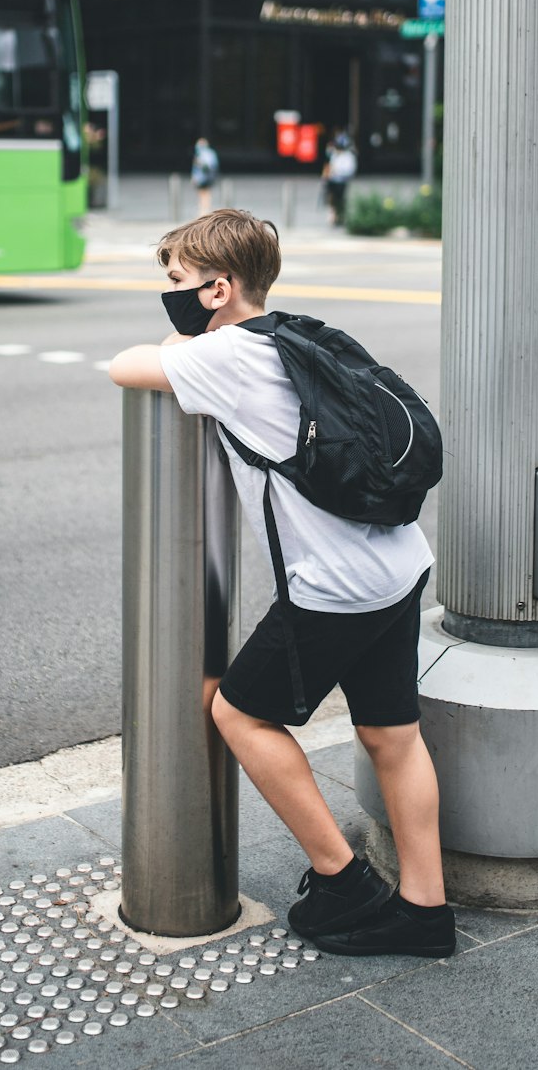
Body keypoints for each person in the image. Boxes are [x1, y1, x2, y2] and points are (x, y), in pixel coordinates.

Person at [108, 208, 455, 958]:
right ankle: (425, 912)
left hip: (336, 586)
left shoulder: (225, 354)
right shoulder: (292, 332)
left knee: (237, 712)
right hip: (398, 561)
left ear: (218, 287)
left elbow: (124, 366)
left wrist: (182, 339)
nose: (168, 291)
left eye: (176, 280)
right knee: (392, 734)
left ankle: (343, 879)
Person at [322, 129, 357, 226]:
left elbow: (349, 170)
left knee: (341, 199)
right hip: (332, 180)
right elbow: (329, 163)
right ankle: (333, 216)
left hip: (341, 181)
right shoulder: (334, 154)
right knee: (331, 198)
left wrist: (338, 171)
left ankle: (341, 216)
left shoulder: (348, 156)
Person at [190, 136, 219, 216]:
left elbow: (209, 166)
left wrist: (201, 164)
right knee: (203, 193)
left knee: (205, 193)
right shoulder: (205, 153)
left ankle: (205, 210)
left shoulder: (205, 154)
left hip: (205, 178)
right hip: (204, 178)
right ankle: (204, 209)